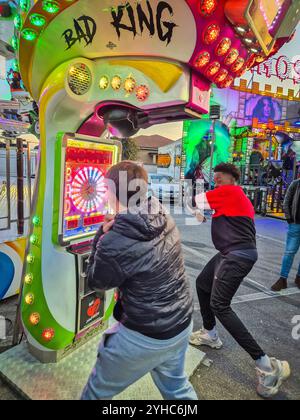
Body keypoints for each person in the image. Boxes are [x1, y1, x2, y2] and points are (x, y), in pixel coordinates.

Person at [81, 161, 197, 401]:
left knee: (96, 393)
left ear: (111, 192)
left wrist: (100, 237)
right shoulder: (160, 212)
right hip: (181, 320)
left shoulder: (114, 240)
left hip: (145, 333)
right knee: (177, 389)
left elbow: (96, 281)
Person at [189, 163, 291, 399]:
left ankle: (267, 366)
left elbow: (197, 199)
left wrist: (200, 209)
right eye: (214, 178)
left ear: (233, 178)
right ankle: (210, 333)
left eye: (220, 178)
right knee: (203, 283)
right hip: (230, 252)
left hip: (237, 254)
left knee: (220, 305)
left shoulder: (231, 191)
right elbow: (204, 206)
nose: (216, 182)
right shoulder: (232, 196)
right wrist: (202, 211)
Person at [271, 178, 300, 292]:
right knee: (289, 252)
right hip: (295, 224)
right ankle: (283, 279)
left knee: (290, 252)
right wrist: (289, 218)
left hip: (294, 223)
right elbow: (286, 201)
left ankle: (299, 277)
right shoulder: (296, 184)